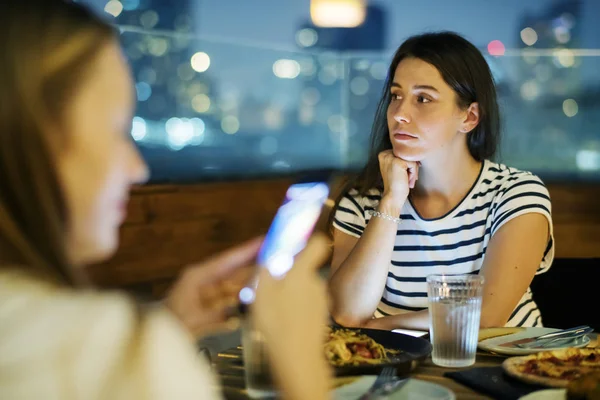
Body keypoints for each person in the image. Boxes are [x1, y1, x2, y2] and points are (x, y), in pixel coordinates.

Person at [0, 1, 331, 399]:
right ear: (34, 144)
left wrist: (169, 323)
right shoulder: (112, 352)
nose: (138, 169)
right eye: (118, 131)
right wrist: (302, 368)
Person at [329, 32, 554, 331]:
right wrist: (391, 203)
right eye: (396, 96)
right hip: (391, 372)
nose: (400, 114)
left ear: (470, 117)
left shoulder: (515, 193)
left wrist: (382, 327)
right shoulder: (363, 200)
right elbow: (347, 312)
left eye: (423, 99)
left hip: (498, 370)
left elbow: (486, 318)